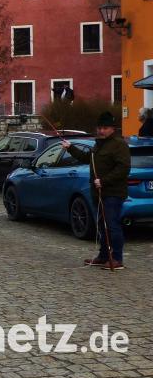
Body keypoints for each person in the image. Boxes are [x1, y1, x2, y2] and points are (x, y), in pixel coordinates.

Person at [62, 112, 131, 270]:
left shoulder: (119, 145)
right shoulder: (98, 144)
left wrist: (104, 180)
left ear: (112, 128)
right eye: (99, 127)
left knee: (112, 225)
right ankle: (103, 256)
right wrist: (70, 148)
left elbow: (124, 168)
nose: (101, 131)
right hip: (98, 193)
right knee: (101, 225)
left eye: (105, 128)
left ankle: (117, 258)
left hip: (113, 193)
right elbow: (88, 159)